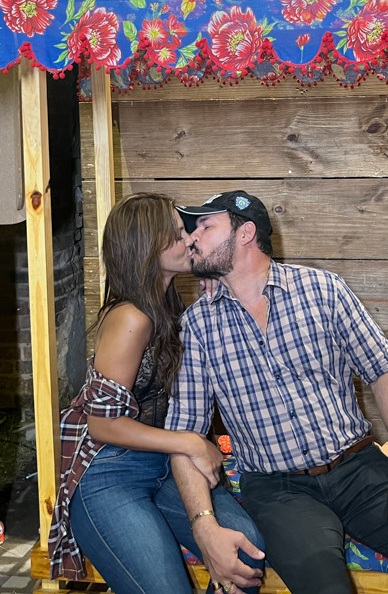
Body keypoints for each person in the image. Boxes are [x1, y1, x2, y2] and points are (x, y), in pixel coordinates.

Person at [167, 190, 388, 594]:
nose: (192, 237)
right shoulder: (197, 325)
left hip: (357, 467)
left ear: (245, 232)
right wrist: (203, 526)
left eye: (205, 225)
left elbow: (384, 372)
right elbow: (183, 434)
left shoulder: (323, 290)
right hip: (276, 489)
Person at [47, 193, 265, 594]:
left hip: (162, 465)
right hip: (110, 471)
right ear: (147, 247)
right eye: (179, 233)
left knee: (246, 550)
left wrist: (215, 284)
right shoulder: (130, 317)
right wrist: (191, 443)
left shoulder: (171, 306)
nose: (191, 239)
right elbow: (102, 426)